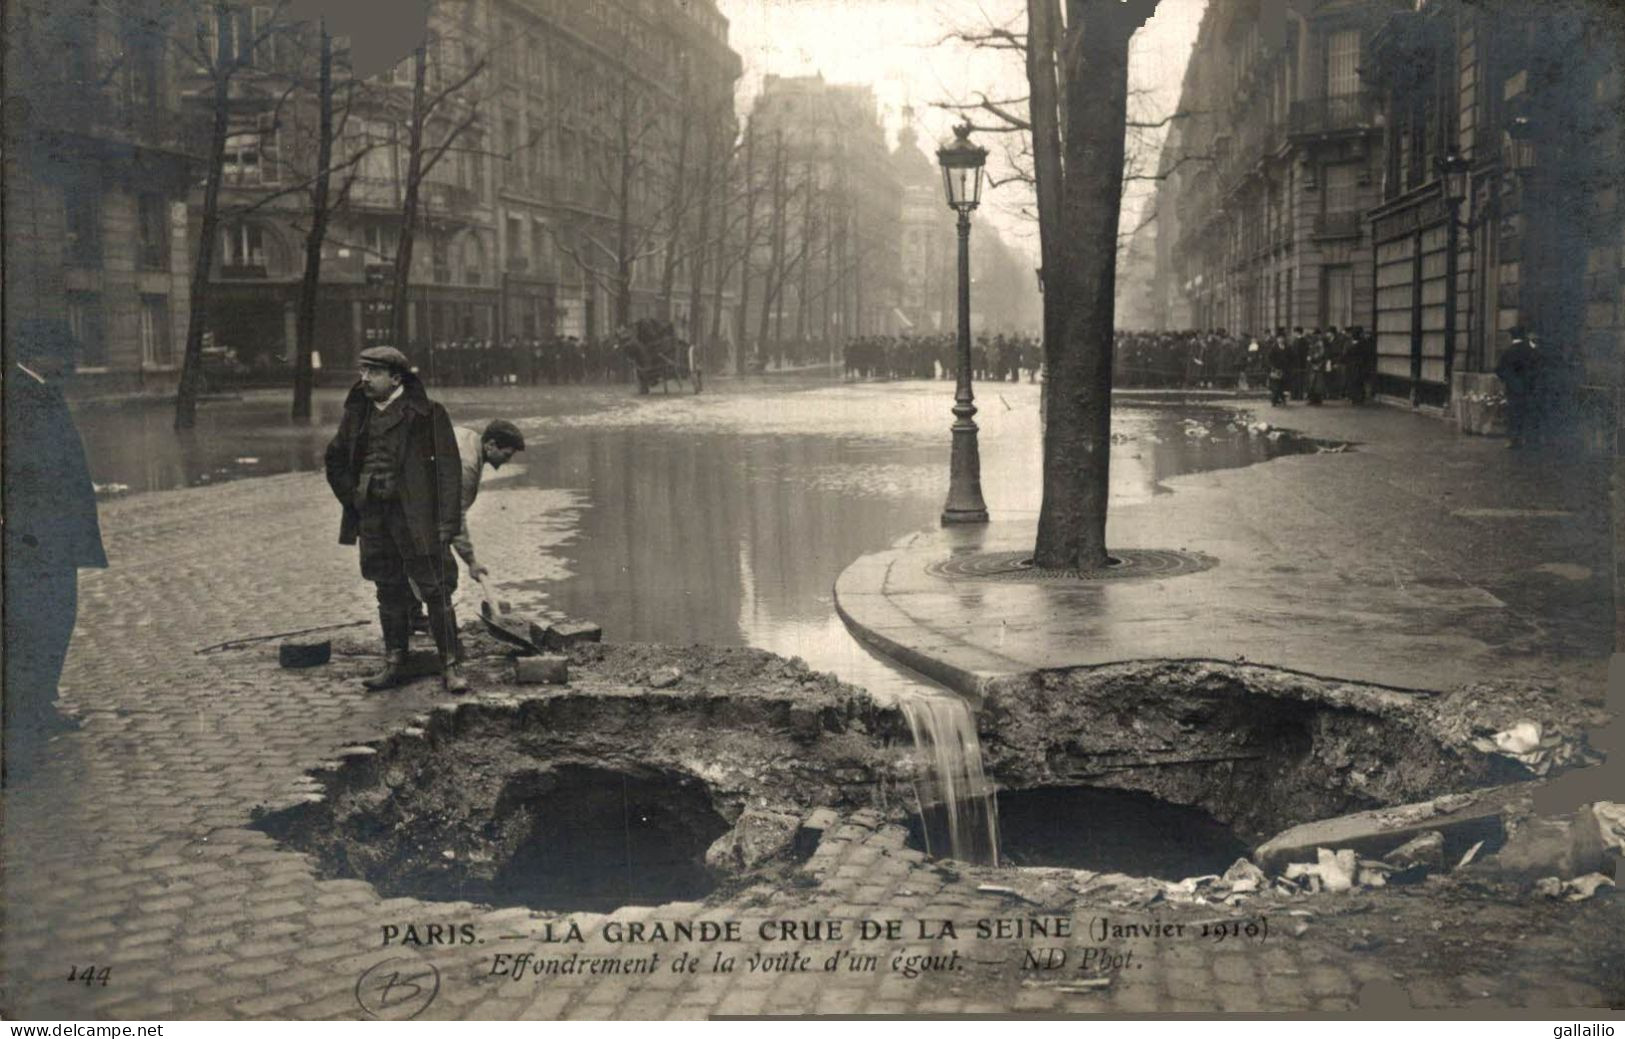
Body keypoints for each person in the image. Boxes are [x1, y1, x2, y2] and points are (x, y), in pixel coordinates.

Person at [324, 346, 468, 694]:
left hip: (416, 518)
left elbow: (449, 471)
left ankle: (450, 666)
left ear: (396, 378)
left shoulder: (427, 414)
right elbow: (334, 460)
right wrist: (355, 498)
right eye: (363, 371)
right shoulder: (357, 414)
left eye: (373, 372)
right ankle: (395, 662)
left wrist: (448, 523)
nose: (365, 379)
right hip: (374, 517)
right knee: (388, 588)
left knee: (435, 589)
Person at [3, 318, 108, 784]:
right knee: (36, 619)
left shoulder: (41, 390)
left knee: (58, 615)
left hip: (54, 534)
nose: (70, 363)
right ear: (38, 354)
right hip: (33, 539)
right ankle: (27, 709)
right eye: (63, 354)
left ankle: (40, 700)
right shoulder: (18, 397)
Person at [451, 419, 526, 584]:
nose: (507, 461)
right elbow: (453, 517)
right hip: (404, 511)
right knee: (442, 578)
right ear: (490, 445)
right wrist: (471, 561)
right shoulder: (467, 466)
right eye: (506, 455)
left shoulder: (469, 437)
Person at [1495, 326, 1542, 450]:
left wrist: (1509, 380)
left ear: (1512, 337)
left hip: (1513, 389)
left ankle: (1514, 440)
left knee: (1514, 414)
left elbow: (1499, 370)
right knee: (1529, 413)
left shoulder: (1508, 352)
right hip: (1529, 388)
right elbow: (1538, 369)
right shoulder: (1532, 351)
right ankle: (1529, 439)